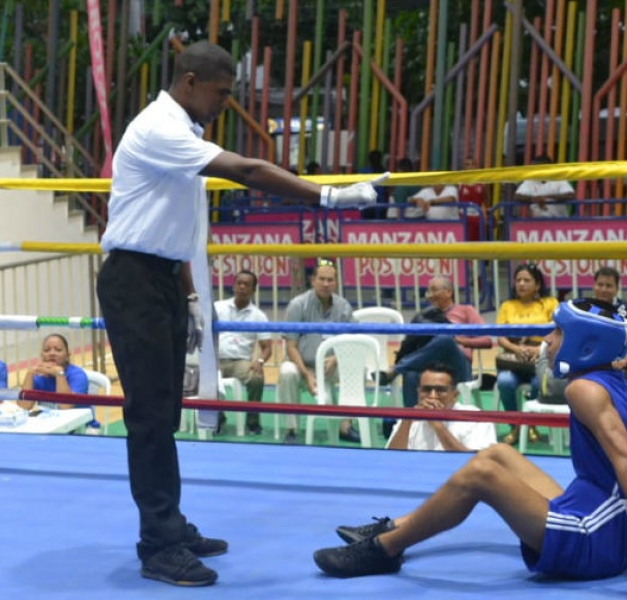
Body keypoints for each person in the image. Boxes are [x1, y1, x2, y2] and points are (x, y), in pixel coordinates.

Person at [94, 40, 383, 587]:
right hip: (133, 282)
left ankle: (170, 525)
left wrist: (188, 292)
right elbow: (247, 170)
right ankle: (158, 545)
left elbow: (170, 221)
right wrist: (327, 196)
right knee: (150, 417)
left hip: (158, 280)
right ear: (190, 82)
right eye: (222, 92)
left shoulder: (184, 131)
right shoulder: (160, 128)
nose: (227, 102)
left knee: (165, 410)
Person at [314, 299, 627, 600]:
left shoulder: (584, 389)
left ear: (585, 343)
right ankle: (396, 525)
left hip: (598, 537)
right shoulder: (615, 379)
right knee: (497, 455)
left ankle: (384, 549)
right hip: (599, 509)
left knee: (482, 476)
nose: (547, 338)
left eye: (558, 330)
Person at [377, 275, 492, 408]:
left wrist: (461, 340)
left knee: (445, 339)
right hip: (429, 366)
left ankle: (396, 370)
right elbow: (409, 345)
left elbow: (487, 340)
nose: (430, 295)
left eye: (434, 290)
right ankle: (413, 422)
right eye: (428, 291)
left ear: (449, 292)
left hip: (458, 367)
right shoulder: (424, 316)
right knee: (411, 375)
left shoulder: (466, 311)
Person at [278, 259, 359, 445]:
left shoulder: (343, 306)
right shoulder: (297, 305)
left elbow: (353, 339)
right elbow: (291, 345)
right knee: (286, 372)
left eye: (330, 280)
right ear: (312, 280)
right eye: (321, 279)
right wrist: (307, 374)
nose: (325, 284)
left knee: (357, 369)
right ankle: (291, 429)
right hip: (302, 365)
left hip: (331, 365)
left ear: (336, 282)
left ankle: (345, 426)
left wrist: (337, 357)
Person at [494, 263, 558, 444]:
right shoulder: (507, 305)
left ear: (537, 285)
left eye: (526, 280)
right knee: (505, 382)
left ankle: (531, 424)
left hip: (541, 357)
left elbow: (558, 332)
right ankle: (516, 426)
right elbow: (500, 337)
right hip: (513, 359)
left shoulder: (550, 303)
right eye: (518, 280)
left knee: (540, 382)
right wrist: (516, 349)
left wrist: (540, 349)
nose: (521, 284)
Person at [214, 270, 273, 436]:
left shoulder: (259, 316)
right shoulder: (218, 308)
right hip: (216, 360)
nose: (242, 287)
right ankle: (217, 417)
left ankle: (253, 421)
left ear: (253, 290)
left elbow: (267, 347)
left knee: (257, 378)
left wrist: (260, 361)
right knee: (207, 378)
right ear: (233, 286)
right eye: (239, 283)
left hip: (242, 362)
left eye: (247, 284)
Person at [385, 363, 495, 452]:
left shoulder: (476, 419)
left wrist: (438, 427)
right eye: (427, 390)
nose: (432, 396)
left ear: (455, 395)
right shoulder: (408, 420)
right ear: (418, 392)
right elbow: (390, 460)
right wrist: (407, 421)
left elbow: (476, 463)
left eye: (440, 390)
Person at [22, 333, 100, 431]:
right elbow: (24, 407)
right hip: (52, 426)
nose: (52, 353)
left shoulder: (77, 375)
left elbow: (65, 406)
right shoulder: (39, 376)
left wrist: (59, 374)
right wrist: (30, 373)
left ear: (67, 355)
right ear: (42, 355)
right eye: (47, 350)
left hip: (83, 428)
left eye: (58, 350)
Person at [593, 266, 627, 382]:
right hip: (588, 365)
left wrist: (626, 361)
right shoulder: (583, 308)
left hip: (619, 367)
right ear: (594, 286)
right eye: (600, 284)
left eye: (608, 286)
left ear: (617, 289)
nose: (603, 289)